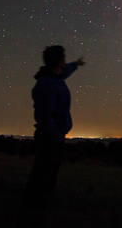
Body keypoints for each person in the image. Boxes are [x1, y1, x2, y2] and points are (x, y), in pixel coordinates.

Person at [17, 45, 86, 228]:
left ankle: (33, 212)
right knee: (43, 178)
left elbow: (65, 71)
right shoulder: (47, 84)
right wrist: (56, 136)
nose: (65, 62)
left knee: (44, 176)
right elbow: (45, 116)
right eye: (63, 59)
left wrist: (76, 64)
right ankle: (32, 216)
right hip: (49, 139)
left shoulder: (54, 76)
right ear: (57, 61)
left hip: (53, 137)